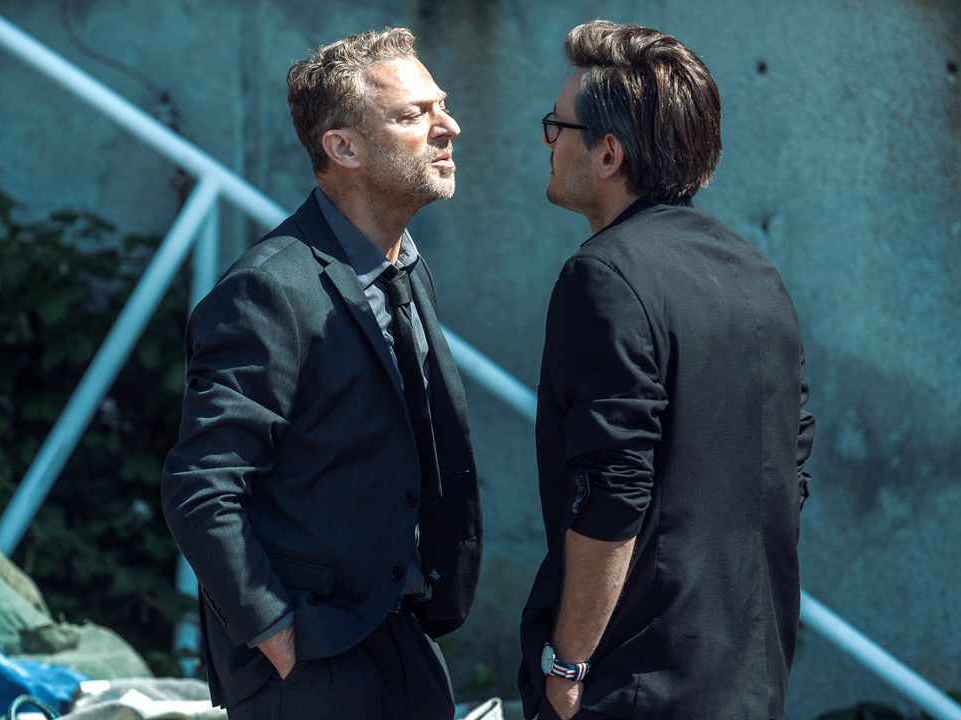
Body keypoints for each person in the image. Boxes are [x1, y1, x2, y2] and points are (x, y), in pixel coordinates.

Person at [161, 27, 481, 720]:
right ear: (344, 148)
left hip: (399, 638)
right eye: (413, 114)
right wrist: (277, 633)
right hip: (312, 661)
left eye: (442, 106)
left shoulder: (403, 267)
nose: (447, 127)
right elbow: (201, 487)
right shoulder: (268, 289)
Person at [517, 20, 816, 720]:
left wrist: (568, 662)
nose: (547, 142)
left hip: (633, 684)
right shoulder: (755, 273)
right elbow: (790, 467)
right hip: (748, 677)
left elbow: (613, 489)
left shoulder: (603, 277)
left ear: (609, 153)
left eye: (557, 127)